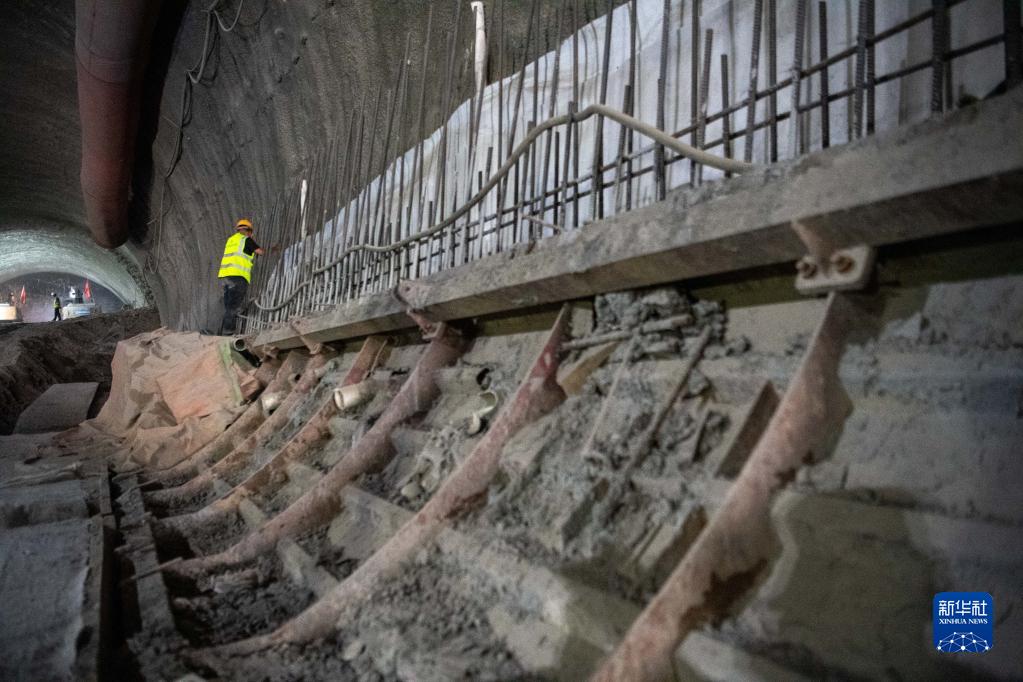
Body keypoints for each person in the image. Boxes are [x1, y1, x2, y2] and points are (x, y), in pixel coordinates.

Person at [217, 218, 264, 335]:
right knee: (233, 306)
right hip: (238, 277)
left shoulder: (231, 240)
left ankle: (222, 332)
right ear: (249, 231)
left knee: (229, 307)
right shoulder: (246, 240)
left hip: (225, 276)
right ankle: (228, 333)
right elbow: (260, 252)